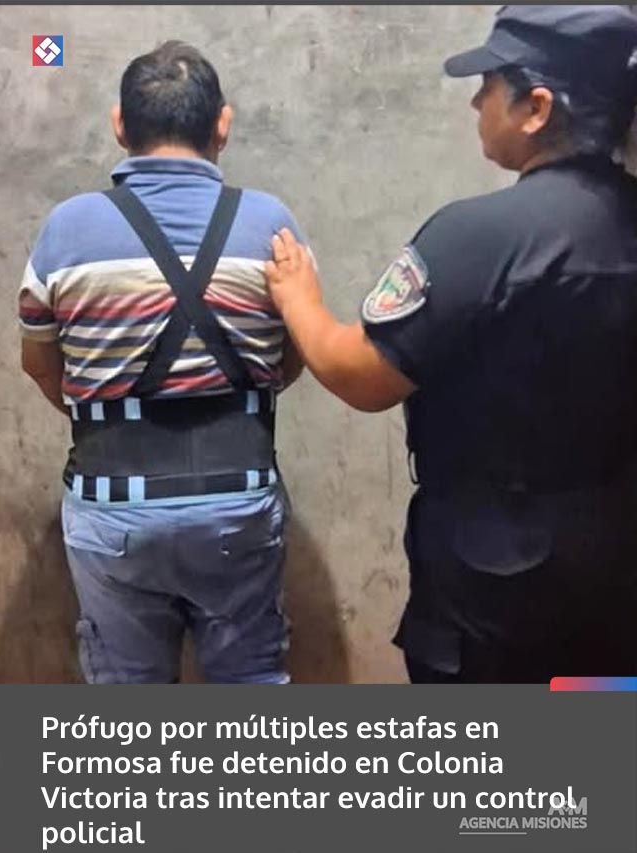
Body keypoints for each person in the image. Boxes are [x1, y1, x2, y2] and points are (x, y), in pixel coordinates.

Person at [265, 6, 637, 683]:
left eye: (489, 86)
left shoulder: (482, 236)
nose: (475, 102)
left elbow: (360, 374)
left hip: (497, 585)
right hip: (613, 564)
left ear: (536, 108)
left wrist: (299, 300)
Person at [18, 41, 306, 684]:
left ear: (120, 125)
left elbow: (38, 363)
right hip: (238, 502)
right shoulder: (272, 224)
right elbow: (297, 354)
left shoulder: (66, 228)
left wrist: (104, 413)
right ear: (222, 125)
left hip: (110, 505)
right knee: (252, 682)